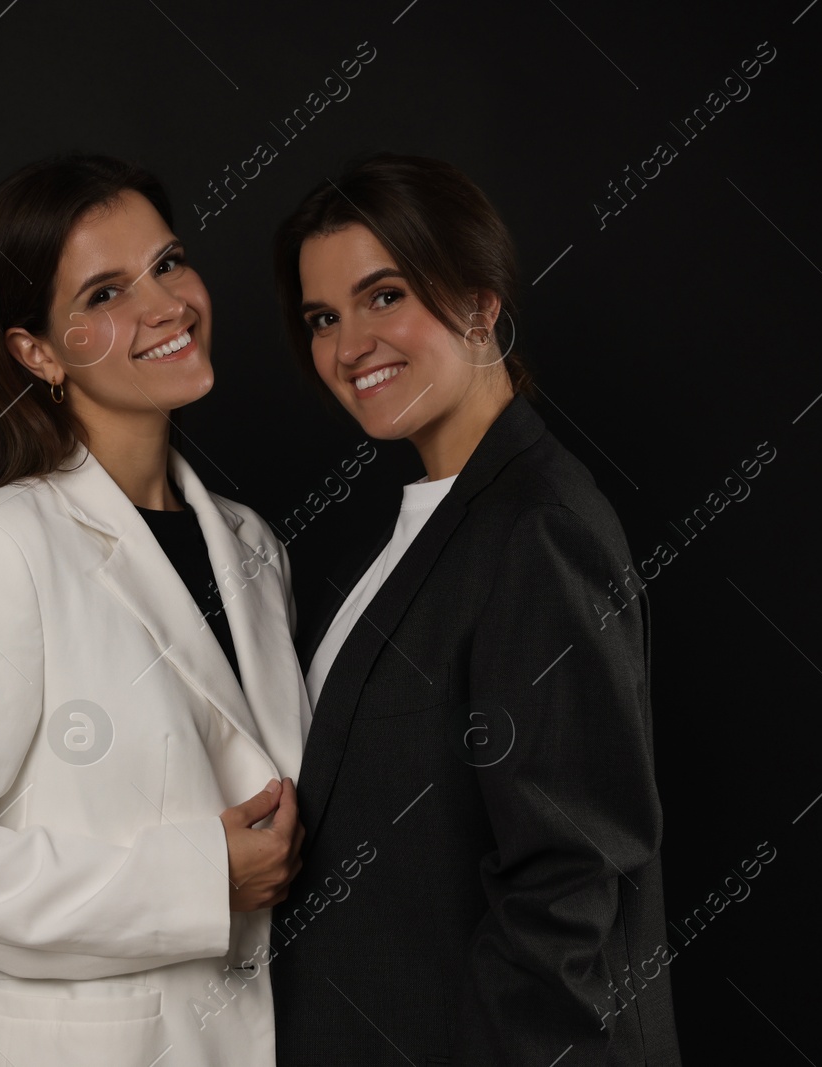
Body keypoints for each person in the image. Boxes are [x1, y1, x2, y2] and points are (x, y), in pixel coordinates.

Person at [0, 153, 306, 1067]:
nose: (167, 306)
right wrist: (200, 879)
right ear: (36, 351)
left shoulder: (252, 546)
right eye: (104, 293)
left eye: (168, 263)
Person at [267, 154, 682, 1065]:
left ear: (482, 300)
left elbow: (568, 880)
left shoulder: (537, 529)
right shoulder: (429, 525)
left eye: (386, 295)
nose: (348, 345)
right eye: (324, 318)